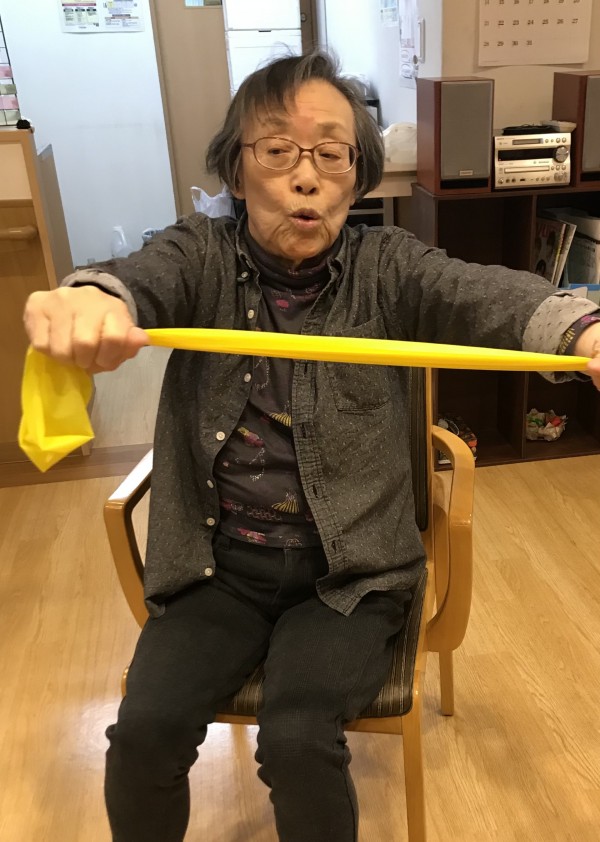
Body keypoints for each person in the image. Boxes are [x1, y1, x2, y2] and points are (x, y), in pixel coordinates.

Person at [23, 52, 600, 842]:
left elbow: (482, 293)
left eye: (332, 154)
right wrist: (90, 298)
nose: (306, 177)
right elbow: (136, 276)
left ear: (356, 180)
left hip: (351, 579)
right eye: (277, 151)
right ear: (236, 169)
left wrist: (583, 327)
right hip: (216, 572)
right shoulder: (199, 254)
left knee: (297, 741)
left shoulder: (387, 265)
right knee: (143, 734)